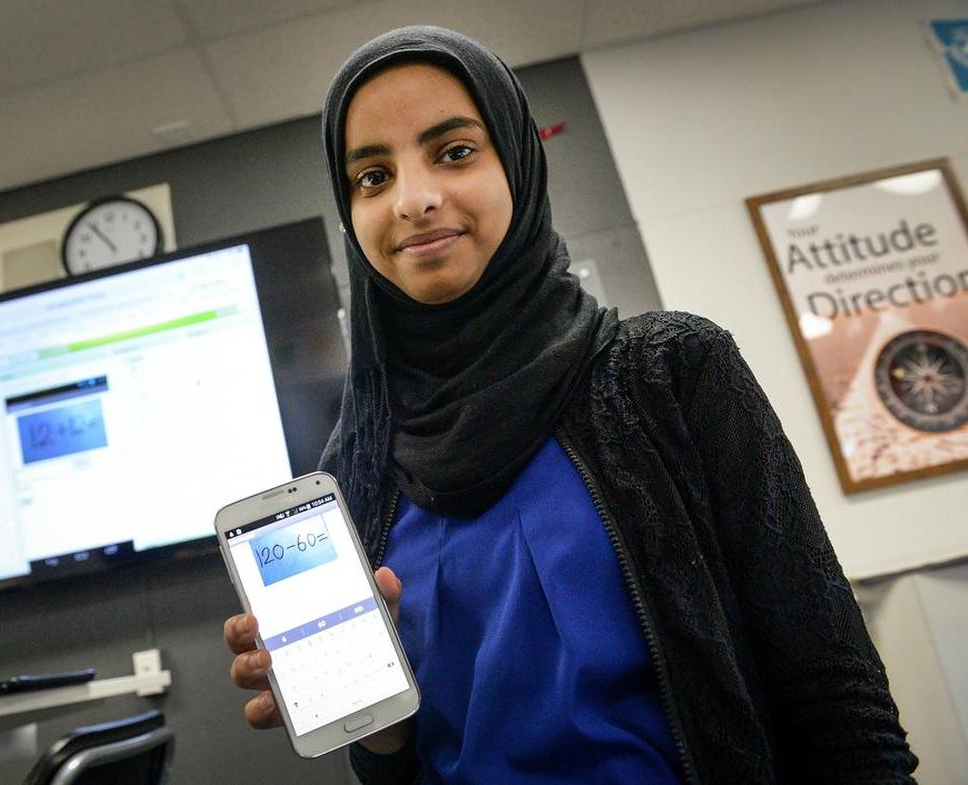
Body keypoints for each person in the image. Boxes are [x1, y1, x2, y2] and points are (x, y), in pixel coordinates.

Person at [225, 25, 918, 785]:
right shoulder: (357, 467)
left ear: (519, 164)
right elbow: (407, 767)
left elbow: (836, 696)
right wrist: (381, 734)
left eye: (454, 151)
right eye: (372, 176)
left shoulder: (671, 373)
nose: (414, 200)